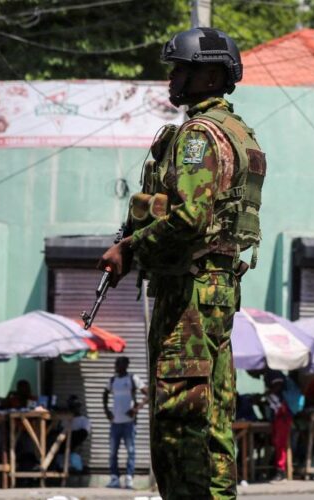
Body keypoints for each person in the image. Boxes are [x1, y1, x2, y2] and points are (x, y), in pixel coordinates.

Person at [98, 26, 265, 499]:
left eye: (182, 70)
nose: (173, 78)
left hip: (188, 292)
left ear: (211, 76)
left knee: (179, 420)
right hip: (217, 289)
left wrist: (131, 248)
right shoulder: (238, 132)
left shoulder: (198, 136)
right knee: (211, 418)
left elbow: (191, 217)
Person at [102, 356, 147, 489]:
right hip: (115, 422)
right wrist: (107, 412)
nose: (117, 366)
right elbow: (105, 394)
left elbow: (148, 393)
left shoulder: (133, 379)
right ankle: (114, 479)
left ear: (126, 365)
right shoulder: (113, 380)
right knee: (112, 452)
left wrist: (136, 408)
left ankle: (129, 478)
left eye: (119, 364)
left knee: (131, 451)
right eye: (116, 364)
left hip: (129, 423)